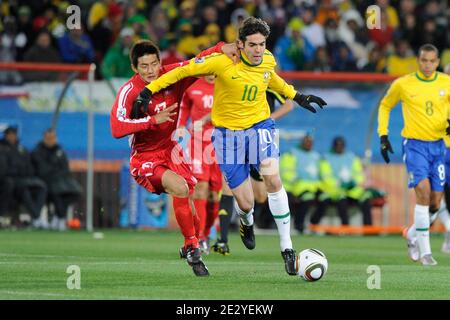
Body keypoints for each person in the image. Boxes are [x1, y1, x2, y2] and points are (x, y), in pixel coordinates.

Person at [137, 17, 327, 275]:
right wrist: (149, 90)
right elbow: (184, 70)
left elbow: (272, 79)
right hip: (228, 137)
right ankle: (246, 220)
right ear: (240, 44)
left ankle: (287, 247)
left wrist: (297, 96)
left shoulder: (267, 59)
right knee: (246, 202)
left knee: (273, 180)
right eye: (253, 45)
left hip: (261, 127)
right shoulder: (221, 63)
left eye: (262, 44)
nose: (259, 50)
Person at [110, 39, 239, 277]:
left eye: (154, 64)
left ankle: (193, 242)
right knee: (181, 188)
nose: (151, 71)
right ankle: (192, 248)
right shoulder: (129, 91)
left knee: (191, 207)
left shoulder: (173, 76)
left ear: (161, 62)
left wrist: (222, 47)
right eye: (144, 66)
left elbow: (198, 61)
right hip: (144, 157)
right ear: (134, 68)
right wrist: (151, 121)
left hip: (171, 152)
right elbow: (117, 128)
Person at [378, 44, 450, 266]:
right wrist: (383, 135)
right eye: (424, 61)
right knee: (423, 192)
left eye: (432, 61)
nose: (427, 65)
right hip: (415, 146)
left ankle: (411, 235)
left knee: (436, 202)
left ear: (437, 62)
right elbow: (385, 105)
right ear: (418, 61)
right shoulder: (403, 83)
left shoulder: (446, 83)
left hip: (439, 147)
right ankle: (426, 253)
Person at [212, 89, 294, 255]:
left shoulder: (267, 79)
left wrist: (270, 118)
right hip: (233, 137)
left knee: (263, 194)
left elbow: (289, 104)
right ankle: (224, 239)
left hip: (261, 137)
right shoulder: (232, 76)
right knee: (232, 192)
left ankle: (284, 242)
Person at [177, 75, 222, 254]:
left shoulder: (227, 82)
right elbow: (185, 105)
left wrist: (206, 119)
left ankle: (208, 230)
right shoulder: (193, 84)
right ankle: (200, 237)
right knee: (200, 188)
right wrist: (181, 125)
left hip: (221, 141)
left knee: (214, 195)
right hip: (197, 142)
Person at [313, 136, 373, 227]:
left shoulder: (352, 158)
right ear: (333, 146)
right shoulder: (326, 158)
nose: (339, 147)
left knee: (366, 198)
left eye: (341, 145)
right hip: (336, 190)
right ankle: (345, 227)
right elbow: (326, 177)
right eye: (337, 145)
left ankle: (369, 229)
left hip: (352, 190)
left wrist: (354, 182)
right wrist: (339, 184)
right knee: (342, 200)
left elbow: (358, 174)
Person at [31, 129, 82, 231]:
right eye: (48, 138)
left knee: (76, 192)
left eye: (53, 138)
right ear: (44, 138)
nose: (51, 140)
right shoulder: (37, 152)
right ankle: (60, 218)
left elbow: (65, 169)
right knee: (57, 193)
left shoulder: (60, 151)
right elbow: (42, 170)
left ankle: (58, 217)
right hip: (45, 182)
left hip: (62, 181)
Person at [0, 126, 47, 228]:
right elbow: (3, 168)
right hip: (9, 180)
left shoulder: (22, 149)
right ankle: (36, 218)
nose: (12, 137)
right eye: (10, 134)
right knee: (23, 190)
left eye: (14, 134)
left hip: (23, 180)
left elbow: (29, 167)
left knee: (41, 186)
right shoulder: (1, 148)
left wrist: (28, 174)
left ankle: (36, 216)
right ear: (6, 135)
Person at [280, 134, 328, 233]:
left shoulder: (317, 156)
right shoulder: (292, 154)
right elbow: (286, 172)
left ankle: (314, 224)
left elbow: (324, 173)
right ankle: (299, 225)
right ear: (302, 142)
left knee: (325, 199)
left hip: (316, 187)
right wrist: (296, 180)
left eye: (310, 142)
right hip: (298, 186)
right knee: (307, 198)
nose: (308, 144)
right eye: (306, 142)